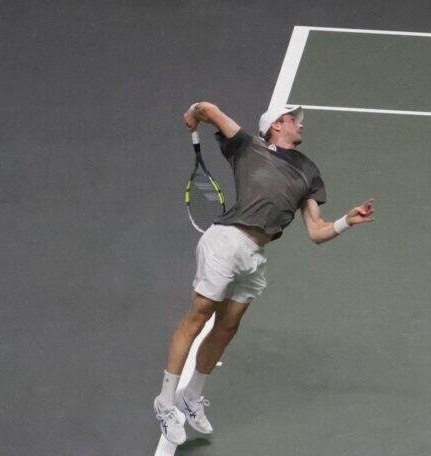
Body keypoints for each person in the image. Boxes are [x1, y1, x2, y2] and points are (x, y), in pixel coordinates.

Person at [153, 101, 375, 445]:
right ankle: (166, 402)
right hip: (226, 242)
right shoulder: (248, 147)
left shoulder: (308, 171)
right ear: (275, 126)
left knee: (227, 327)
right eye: (292, 119)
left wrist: (348, 220)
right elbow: (209, 108)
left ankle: (191, 396)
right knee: (198, 318)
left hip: (255, 255)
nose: (299, 124)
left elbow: (316, 232)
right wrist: (194, 113)